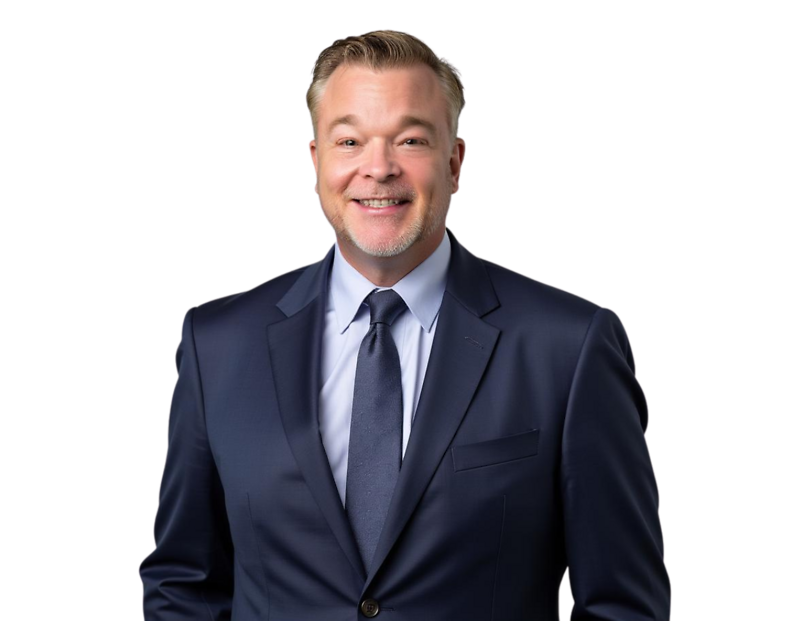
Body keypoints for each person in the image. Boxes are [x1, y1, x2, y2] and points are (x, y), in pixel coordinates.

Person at [138, 29, 672, 620]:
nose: (379, 168)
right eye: (350, 140)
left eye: (410, 139)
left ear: (456, 161)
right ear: (315, 163)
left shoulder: (569, 346)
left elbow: (626, 606)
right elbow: (183, 583)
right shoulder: (217, 344)